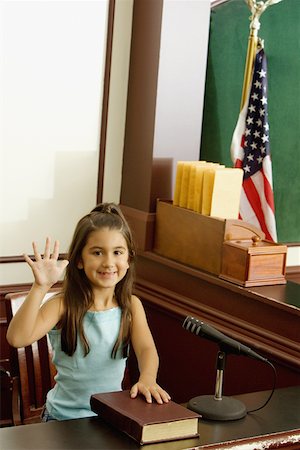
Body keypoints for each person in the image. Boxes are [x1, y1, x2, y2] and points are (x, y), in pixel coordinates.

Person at [6, 203, 170, 421]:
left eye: (117, 252)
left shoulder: (132, 306)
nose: (109, 262)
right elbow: (17, 338)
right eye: (97, 252)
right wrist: (40, 287)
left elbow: (147, 349)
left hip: (108, 419)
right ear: (80, 260)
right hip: (61, 420)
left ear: (128, 259)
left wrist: (148, 378)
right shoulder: (63, 305)